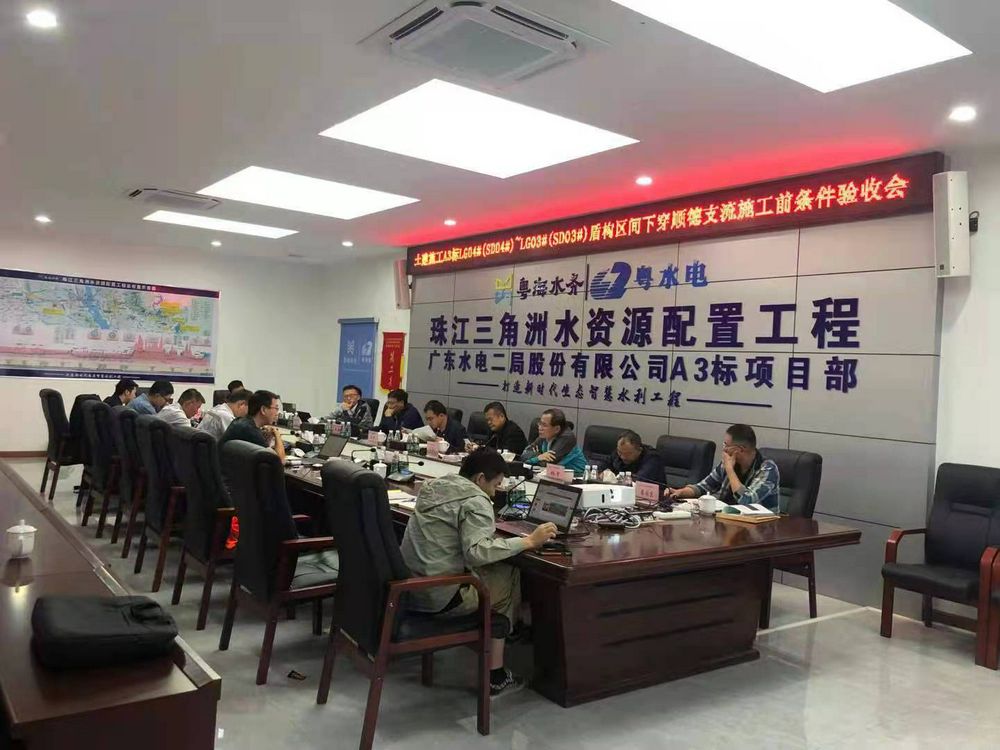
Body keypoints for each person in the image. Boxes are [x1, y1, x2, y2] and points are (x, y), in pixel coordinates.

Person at [400, 449, 557, 697]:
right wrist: (529, 541)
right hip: (441, 597)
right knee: (508, 573)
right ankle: (497, 669)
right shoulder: (476, 500)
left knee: (498, 569)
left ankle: (512, 630)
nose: (495, 493)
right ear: (480, 478)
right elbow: (476, 552)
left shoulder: (434, 487)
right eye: (495, 485)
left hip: (411, 587)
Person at [663, 424, 781, 511]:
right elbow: (703, 486)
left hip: (759, 530)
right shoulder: (728, 463)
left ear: (740, 450)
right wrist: (680, 492)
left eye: (726, 445)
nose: (724, 449)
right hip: (727, 521)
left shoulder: (767, 469)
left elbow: (746, 500)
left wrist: (730, 470)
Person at [220, 389, 286, 462]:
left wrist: (267, 437)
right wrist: (277, 434)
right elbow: (280, 461)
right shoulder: (250, 430)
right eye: (276, 408)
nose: (277, 413)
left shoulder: (241, 421)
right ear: (263, 410)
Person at [520, 408, 587, 474]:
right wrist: (539, 457)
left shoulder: (567, 438)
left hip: (577, 476)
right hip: (553, 475)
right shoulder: (545, 435)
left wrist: (535, 458)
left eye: (544, 425)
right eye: (540, 423)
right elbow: (524, 455)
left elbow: (548, 463)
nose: (540, 428)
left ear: (557, 429)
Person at [596, 430, 665, 484]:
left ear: (639, 450)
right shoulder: (619, 452)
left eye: (628, 454)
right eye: (620, 452)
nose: (622, 457)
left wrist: (612, 478)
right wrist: (601, 473)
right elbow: (601, 466)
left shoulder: (652, 458)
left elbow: (639, 480)